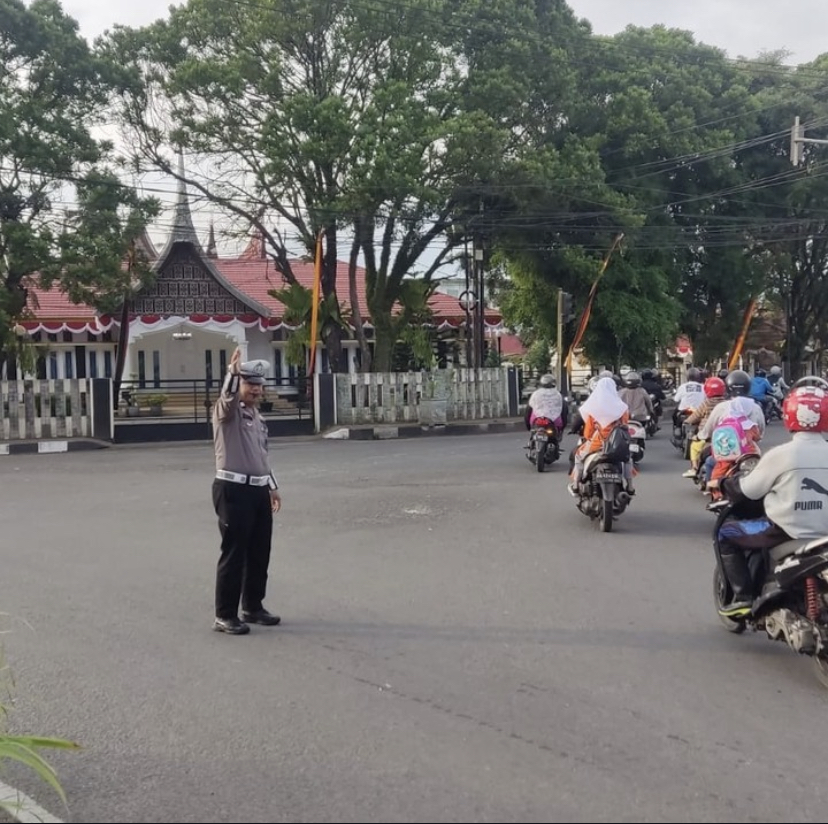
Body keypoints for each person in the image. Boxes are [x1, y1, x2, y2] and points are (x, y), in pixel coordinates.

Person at [717, 385, 828, 616]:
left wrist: (728, 483)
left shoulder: (782, 454)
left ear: (788, 414)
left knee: (726, 534)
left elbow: (749, 490)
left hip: (785, 531)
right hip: (824, 535)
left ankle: (743, 597)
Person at [211, 347, 282, 635]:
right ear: (239, 384)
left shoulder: (258, 418)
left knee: (259, 551)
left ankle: (253, 606)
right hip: (233, 489)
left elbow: (261, 455)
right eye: (250, 384)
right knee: (234, 552)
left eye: (259, 385)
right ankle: (224, 615)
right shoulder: (227, 414)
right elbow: (227, 400)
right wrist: (232, 372)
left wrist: (272, 487)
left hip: (257, 491)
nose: (256, 390)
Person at [569, 376, 632, 495]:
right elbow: (625, 426)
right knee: (628, 459)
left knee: (578, 456)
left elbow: (588, 433)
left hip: (596, 444)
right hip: (616, 445)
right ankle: (630, 486)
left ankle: (576, 485)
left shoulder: (594, 407)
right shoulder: (621, 407)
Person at [683, 375, 727, 478]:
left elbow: (696, 416)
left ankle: (694, 468)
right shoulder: (726, 403)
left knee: (694, 446)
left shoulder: (707, 403)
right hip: (724, 435)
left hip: (706, 436)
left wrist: (686, 421)